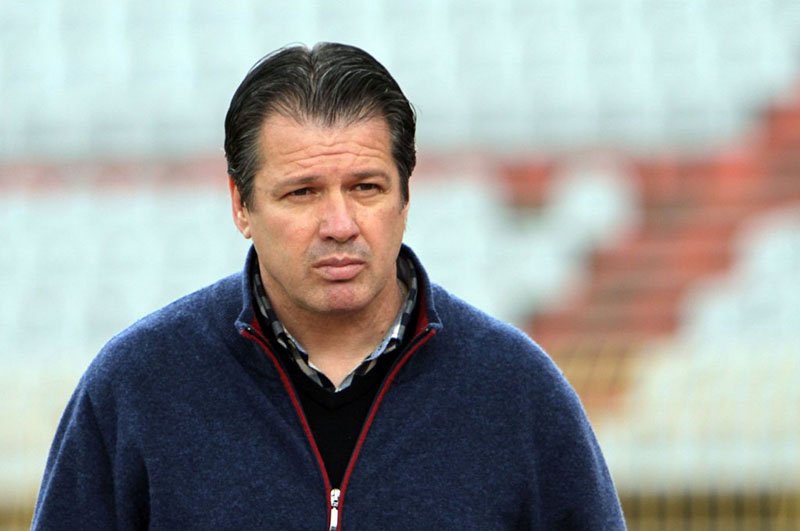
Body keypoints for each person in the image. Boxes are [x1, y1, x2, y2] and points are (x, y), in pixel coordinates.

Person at [32, 42, 625, 529]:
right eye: (302, 192)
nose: (340, 225)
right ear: (240, 204)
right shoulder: (137, 386)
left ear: (406, 196)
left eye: (366, 187)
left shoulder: (518, 391)